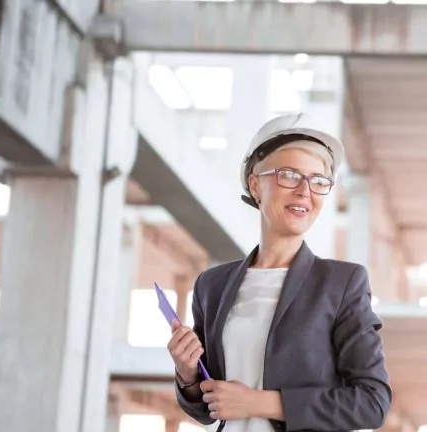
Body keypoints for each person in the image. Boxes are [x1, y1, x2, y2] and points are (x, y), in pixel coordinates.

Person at [166, 113, 392, 432]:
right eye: (289, 174)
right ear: (256, 185)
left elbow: (372, 402)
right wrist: (188, 375)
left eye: (318, 181)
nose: (304, 191)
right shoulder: (212, 286)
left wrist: (261, 402)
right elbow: (208, 407)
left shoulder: (341, 284)